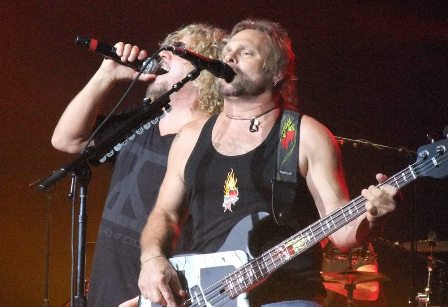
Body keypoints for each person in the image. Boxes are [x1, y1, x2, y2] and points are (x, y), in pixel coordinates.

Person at [131, 18, 398, 307]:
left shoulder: (305, 136)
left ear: (276, 72)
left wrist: (373, 218)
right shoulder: (191, 137)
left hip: (285, 296)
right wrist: (152, 258)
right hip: (210, 296)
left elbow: (342, 233)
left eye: (246, 53)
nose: (230, 57)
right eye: (227, 52)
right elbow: (165, 215)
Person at [51, 23, 226, 307]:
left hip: (161, 296)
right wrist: (105, 75)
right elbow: (68, 140)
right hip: (106, 292)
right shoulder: (145, 119)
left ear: (205, 69)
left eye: (177, 50)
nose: (162, 54)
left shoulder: (216, 138)